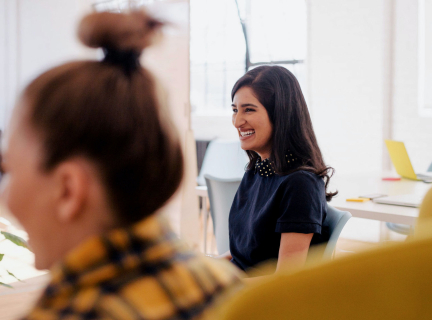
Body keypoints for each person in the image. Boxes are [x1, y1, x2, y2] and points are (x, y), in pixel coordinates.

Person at [0, 11, 240, 319]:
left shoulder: (66, 313)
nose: (5, 197)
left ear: (68, 189)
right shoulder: (223, 284)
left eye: (9, 171)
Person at [227, 65, 337, 272]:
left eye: (248, 109)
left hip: (256, 297)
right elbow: (242, 255)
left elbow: (285, 278)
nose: (237, 121)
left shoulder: (300, 184)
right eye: (235, 110)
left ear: (281, 114)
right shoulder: (256, 171)